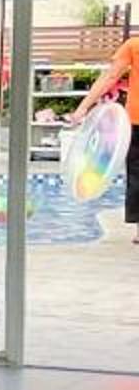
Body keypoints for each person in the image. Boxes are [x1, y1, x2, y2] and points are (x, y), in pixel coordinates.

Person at [68, 29, 139, 237]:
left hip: (137, 120)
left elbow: (110, 76)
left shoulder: (134, 45)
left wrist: (83, 107)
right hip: (135, 120)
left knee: (137, 174)